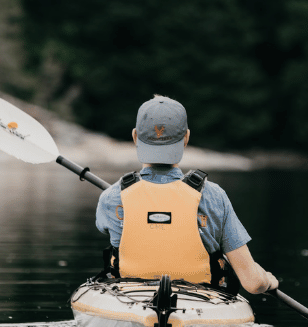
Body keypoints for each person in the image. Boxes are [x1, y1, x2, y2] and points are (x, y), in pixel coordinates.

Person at [95, 95, 279, 295]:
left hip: (129, 298)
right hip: (201, 301)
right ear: (186, 138)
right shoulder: (214, 196)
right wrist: (267, 280)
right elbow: (253, 284)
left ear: (135, 137)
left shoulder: (111, 197)